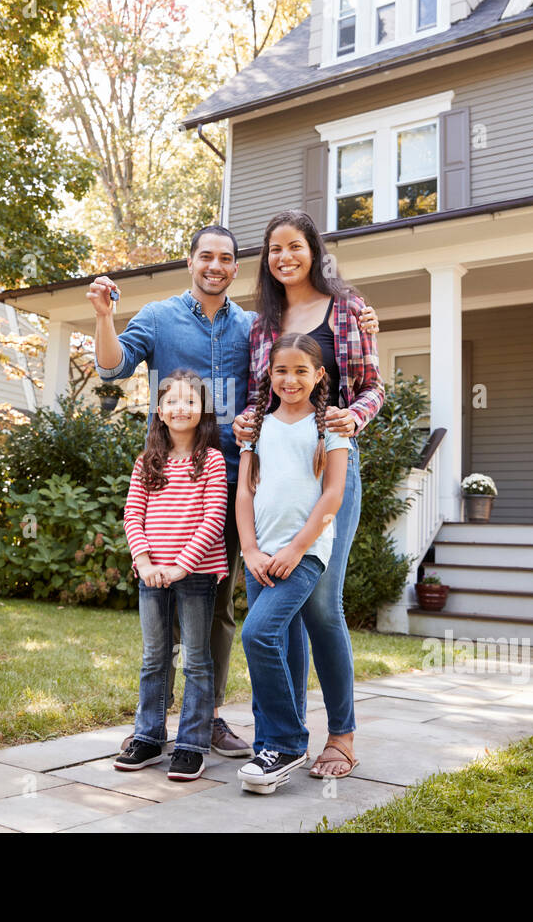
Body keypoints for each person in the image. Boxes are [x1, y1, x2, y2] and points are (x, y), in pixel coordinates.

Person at [89, 225, 380, 758]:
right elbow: (111, 369)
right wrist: (106, 317)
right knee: (184, 605)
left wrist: (350, 410)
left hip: (261, 473)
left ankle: (217, 718)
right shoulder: (165, 317)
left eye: (227, 258)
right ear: (190, 260)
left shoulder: (259, 322)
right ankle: (161, 725)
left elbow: (358, 382)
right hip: (189, 478)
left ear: (239, 267)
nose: (216, 266)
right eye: (206, 256)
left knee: (234, 606)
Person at [233, 209, 385, 780]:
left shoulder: (347, 308)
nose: (284, 257)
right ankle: (286, 738)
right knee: (282, 609)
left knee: (322, 606)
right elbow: (257, 396)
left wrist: (351, 419)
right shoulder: (261, 323)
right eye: (274, 249)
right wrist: (247, 425)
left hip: (330, 464)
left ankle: (341, 738)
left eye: (294, 246)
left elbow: (373, 387)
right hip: (277, 470)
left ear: (313, 250)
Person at [236, 333, 349, 794]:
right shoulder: (256, 427)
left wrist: (297, 548)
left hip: (302, 554)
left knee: (258, 633)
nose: (290, 379)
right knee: (273, 642)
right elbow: (244, 492)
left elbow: (333, 495)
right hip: (259, 553)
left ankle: (286, 742)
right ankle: (271, 746)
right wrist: (249, 550)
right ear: (269, 374)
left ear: (319, 376)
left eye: (302, 370)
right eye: (282, 370)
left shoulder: (331, 428)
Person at [114, 370, 228, 781]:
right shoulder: (148, 462)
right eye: (172, 402)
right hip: (151, 574)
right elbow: (133, 515)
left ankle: (192, 744)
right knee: (153, 658)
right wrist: (144, 563)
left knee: (196, 660)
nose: (181, 408)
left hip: (194, 574)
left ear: (202, 411)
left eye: (190, 401)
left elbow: (214, 518)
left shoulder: (211, 461)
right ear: (159, 412)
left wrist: (183, 564)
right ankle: (147, 736)